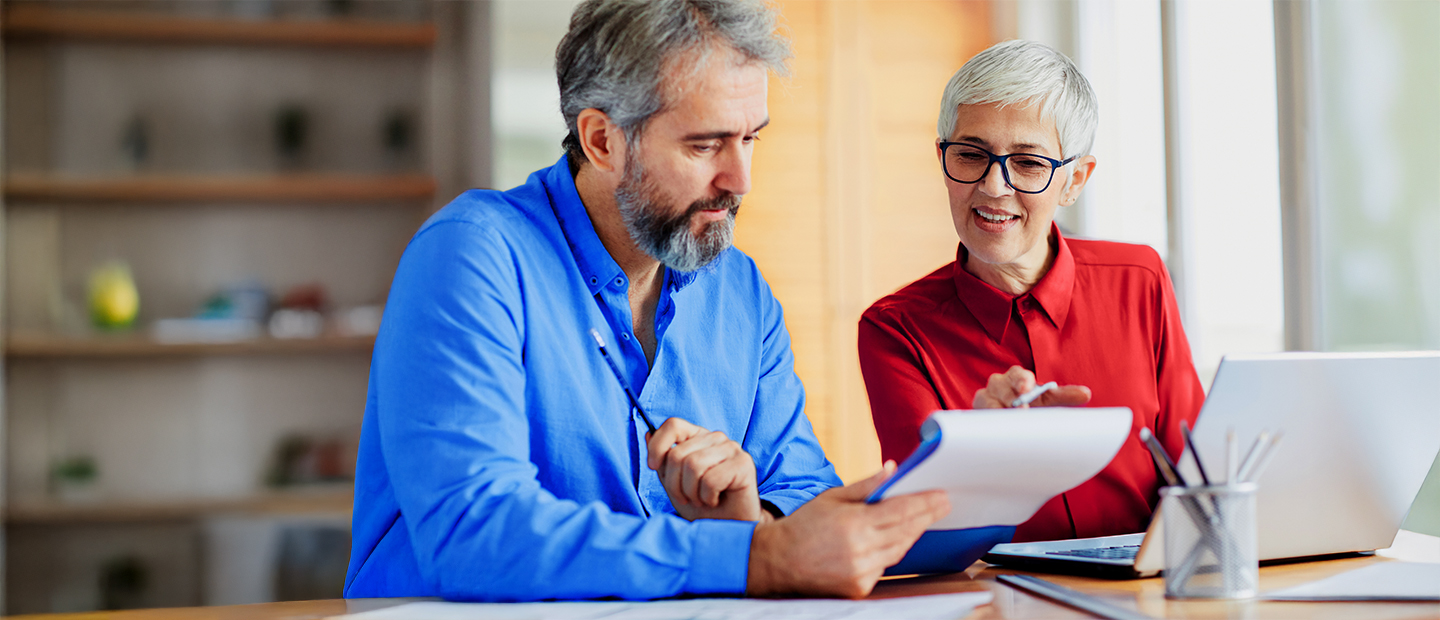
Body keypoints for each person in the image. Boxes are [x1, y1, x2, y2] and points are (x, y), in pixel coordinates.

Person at [344, 0, 949, 602]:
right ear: (602, 139)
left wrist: (749, 521)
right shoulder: (472, 254)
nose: (741, 179)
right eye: (705, 145)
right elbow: (473, 533)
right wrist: (747, 557)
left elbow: (801, 490)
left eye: (750, 138)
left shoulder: (739, 289)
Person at [858, 40, 1203, 543]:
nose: (994, 187)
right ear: (942, 158)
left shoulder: (1139, 278)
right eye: (971, 154)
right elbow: (923, 530)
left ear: (1074, 180)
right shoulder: (895, 330)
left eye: (1028, 163)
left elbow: (1191, 476)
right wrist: (978, 447)